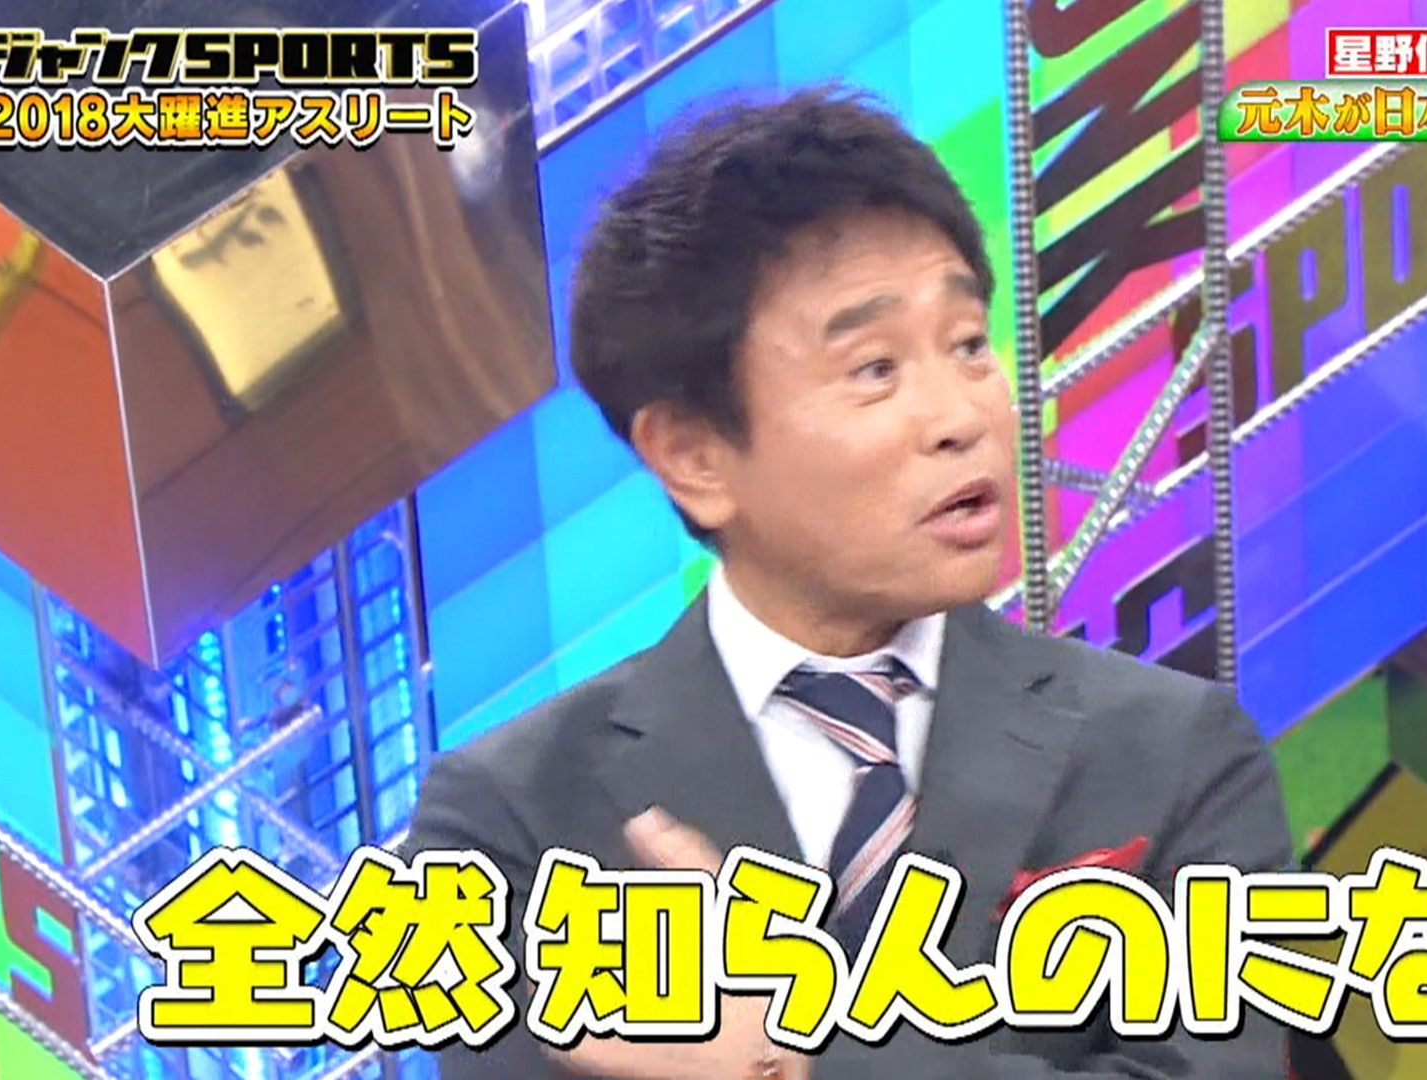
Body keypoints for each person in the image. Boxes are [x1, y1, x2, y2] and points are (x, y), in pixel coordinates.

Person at [404, 86, 1293, 1080]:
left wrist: (803, 1060)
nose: (961, 415)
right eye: (874, 369)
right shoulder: (513, 819)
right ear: (694, 454)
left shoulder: (1177, 752)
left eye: (968, 345)